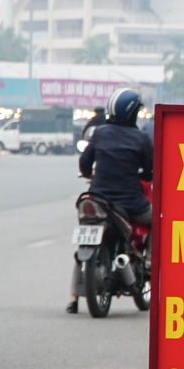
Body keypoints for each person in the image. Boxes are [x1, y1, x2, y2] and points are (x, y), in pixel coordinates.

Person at [68, 88, 154, 313]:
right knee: (159, 218)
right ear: (133, 113)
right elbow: (150, 170)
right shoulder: (141, 138)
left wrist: (92, 174)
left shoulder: (99, 133)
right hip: (130, 203)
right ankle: (150, 262)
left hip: (98, 198)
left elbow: (85, 165)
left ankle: (74, 297)